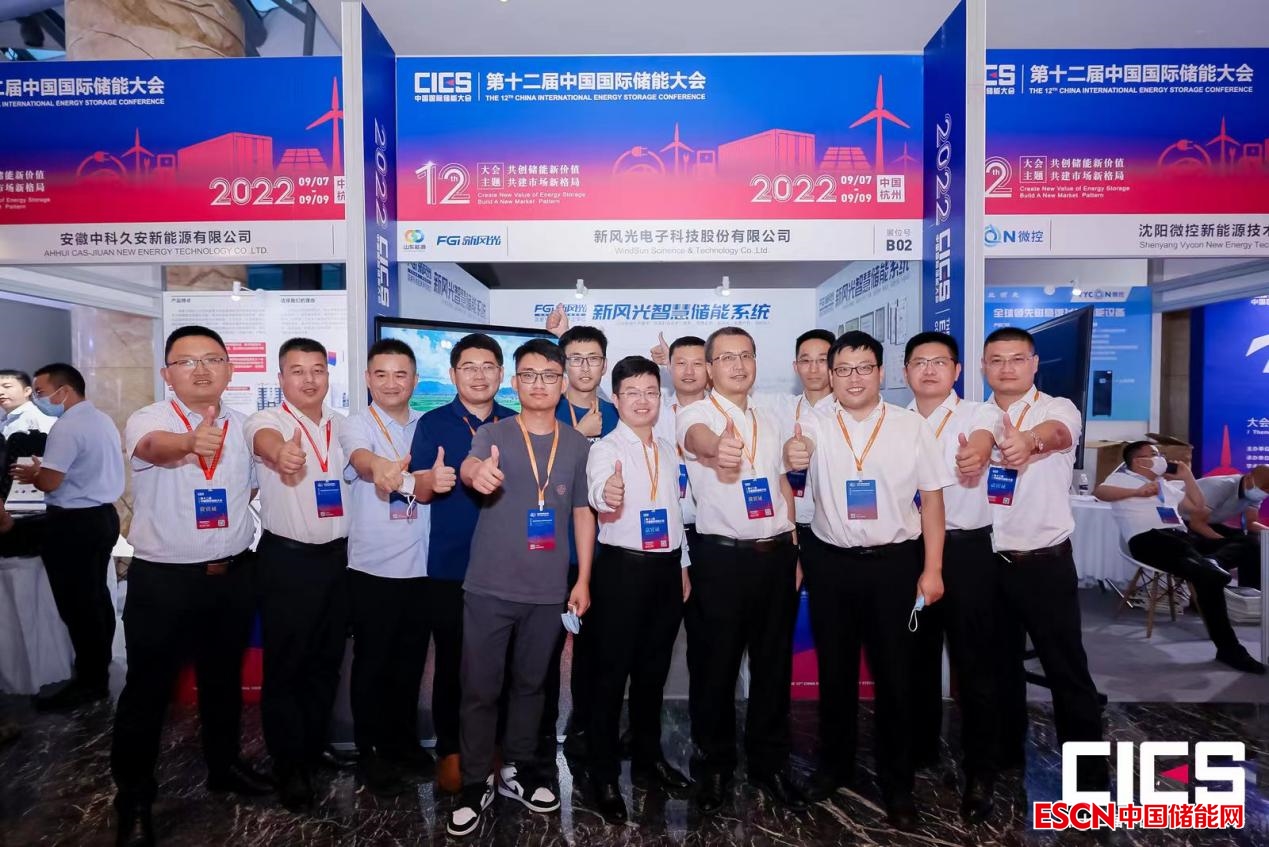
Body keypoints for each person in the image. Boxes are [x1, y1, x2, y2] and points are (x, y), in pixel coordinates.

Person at [111, 326, 272, 846]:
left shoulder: (244, 427)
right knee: (148, 690)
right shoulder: (151, 419)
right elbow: (154, 449)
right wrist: (189, 443)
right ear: (167, 373)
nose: (201, 370)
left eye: (212, 359)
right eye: (187, 361)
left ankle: (224, 767)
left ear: (229, 369)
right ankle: (134, 796)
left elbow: (248, 490)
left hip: (231, 575)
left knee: (222, 681)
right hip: (165, 581)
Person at [784, 331, 951, 830]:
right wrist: (793, 455)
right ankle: (833, 767)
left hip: (894, 564)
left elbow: (933, 500)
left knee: (896, 677)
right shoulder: (812, 421)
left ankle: (898, 783)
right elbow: (792, 464)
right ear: (830, 375)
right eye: (842, 369)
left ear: (881, 373)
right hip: (831, 563)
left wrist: (933, 568)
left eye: (863, 368)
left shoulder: (910, 426)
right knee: (835, 673)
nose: (853, 378)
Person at [448, 338, 594, 838]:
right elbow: (469, 467)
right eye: (528, 375)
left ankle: (517, 769)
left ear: (562, 383)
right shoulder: (493, 433)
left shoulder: (576, 444)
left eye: (549, 376)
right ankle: (474, 782)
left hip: (548, 590)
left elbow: (582, 511)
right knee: (480, 688)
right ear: (515, 382)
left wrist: (583, 578)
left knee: (532, 686)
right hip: (489, 587)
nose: (539, 384)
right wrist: (478, 473)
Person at [677, 327, 806, 814]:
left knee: (773, 665)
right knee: (715, 667)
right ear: (710, 368)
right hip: (721, 559)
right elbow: (699, 440)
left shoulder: (770, 418)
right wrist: (718, 449)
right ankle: (714, 766)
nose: (737, 365)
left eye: (745, 355)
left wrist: (793, 544)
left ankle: (769, 764)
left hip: (776, 557)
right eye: (726, 357)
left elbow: (782, 485)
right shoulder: (696, 413)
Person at [982, 327, 1107, 791]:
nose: (1007, 368)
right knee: (1000, 669)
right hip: (988, 564)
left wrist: (1028, 442)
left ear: (1034, 364)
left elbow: (1056, 435)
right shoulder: (974, 417)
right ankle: (1005, 757)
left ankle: (1089, 781)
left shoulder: (1058, 409)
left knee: (1066, 670)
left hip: (1043, 564)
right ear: (983, 366)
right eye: (997, 360)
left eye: (1017, 359)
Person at [896, 330, 1003, 823]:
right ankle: (920, 751)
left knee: (974, 664)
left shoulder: (978, 415)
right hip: (908, 552)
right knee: (914, 659)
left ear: (958, 371)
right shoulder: (894, 422)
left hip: (965, 552)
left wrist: (975, 455)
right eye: (919, 362)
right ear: (905, 372)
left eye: (940, 362)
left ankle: (981, 771)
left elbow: (982, 442)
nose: (929, 370)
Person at [244, 337, 351, 812]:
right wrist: (281, 454)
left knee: (326, 662)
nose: (309, 379)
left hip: (338, 562)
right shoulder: (267, 421)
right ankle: (288, 766)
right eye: (298, 371)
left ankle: (312, 746)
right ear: (281, 378)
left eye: (317, 370)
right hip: (288, 561)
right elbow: (264, 443)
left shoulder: (342, 425)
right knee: (287, 666)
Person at [584, 356, 692, 823]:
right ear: (616, 399)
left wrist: (683, 564)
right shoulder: (605, 449)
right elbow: (597, 491)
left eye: (650, 391)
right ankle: (604, 775)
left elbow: (674, 512)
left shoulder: (668, 448)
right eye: (632, 392)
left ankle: (648, 759)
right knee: (610, 677)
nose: (643, 400)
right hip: (622, 572)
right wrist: (605, 494)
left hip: (667, 571)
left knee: (653, 674)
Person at [410, 333, 517, 793]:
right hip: (450, 566)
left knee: (504, 664)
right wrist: (431, 481)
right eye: (469, 367)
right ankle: (452, 750)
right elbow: (417, 490)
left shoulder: (515, 423)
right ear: (453, 374)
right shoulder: (433, 423)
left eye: (488, 366)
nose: (479, 375)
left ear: (501, 374)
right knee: (453, 663)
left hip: (507, 566)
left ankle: (497, 749)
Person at [340, 339, 441, 797]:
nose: (391, 383)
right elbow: (363, 461)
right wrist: (385, 469)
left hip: (422, 566)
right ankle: (371, 752)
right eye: (381, 374)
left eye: (401, 374)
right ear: (367, 379)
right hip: (373, 567)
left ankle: (402, 743)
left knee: (410, 662)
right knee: (373, 664)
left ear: (415, 380)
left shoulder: (426, 425)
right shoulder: (356, 424)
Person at [10, 362, 124, 711]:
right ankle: (98, 671)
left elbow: (50, 483)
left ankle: (89, 683)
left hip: (75, 524)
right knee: (96, 598)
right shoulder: (100, 419)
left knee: (78, 606)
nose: (38, 399)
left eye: (41, 392)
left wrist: (35, 474)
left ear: (65, 391)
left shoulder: (67, 426)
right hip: (103, 517)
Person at [1096, 442, 1263, 673]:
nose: (1161, 458)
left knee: (1248, 544)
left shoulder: (1165, 485)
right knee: (1204, 573)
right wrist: (1136, 492)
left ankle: (1212, 564)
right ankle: (1229, 648)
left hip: (1182, 538)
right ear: (1138, 461)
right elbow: (1100, 492)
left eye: (1160, 454)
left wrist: (1187, 476)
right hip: (1148, 539)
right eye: (1154, 454)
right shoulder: (1123, 478)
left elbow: (1197, 506)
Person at [543, 325, 618, 757]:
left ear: (604, 364)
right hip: (551, 550)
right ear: (563, 363)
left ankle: (584, 730)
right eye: (575, 358)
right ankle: (538, 737)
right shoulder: (544, 410)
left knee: (597, 649)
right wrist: (579, 435)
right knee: (543, 650)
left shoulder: (617, 412)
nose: (585, 367)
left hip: (604, 551)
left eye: (593, 358)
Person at [1186, 465, 1269, 590]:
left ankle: (1250, 591)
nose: (1265, 493)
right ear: (1249, 478)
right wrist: (1225, 541)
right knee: (1244, 545)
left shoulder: (1255, 494)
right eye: (1263, 489)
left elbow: (1251, 523)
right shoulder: (1222, 486)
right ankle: (1211, 567)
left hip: (1209, 523)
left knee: (1254, 541)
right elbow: (1196, 523)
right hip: (1184, 526)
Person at [0, 369, 57, 437]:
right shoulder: (5, 418)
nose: (1, 392)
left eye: (7, 387)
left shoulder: (38, 416)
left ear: (27, 391)